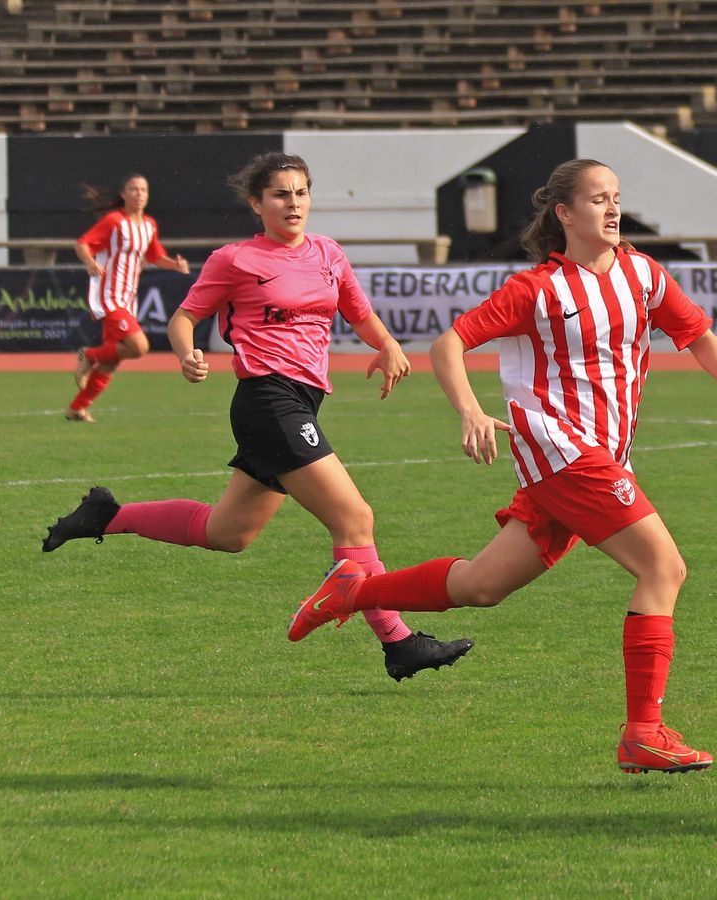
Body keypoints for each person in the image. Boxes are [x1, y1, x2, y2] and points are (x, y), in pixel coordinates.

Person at [286, 158, 717, 774]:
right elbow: (449, 344)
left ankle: (355, 591)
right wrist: (470, 411)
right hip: (565, 453)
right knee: (663, 567)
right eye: (599, 199)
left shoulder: (643, 276)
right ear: (564, 214)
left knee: (482, 585)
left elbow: (695, 330)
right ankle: (642, 733)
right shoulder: (538, 289)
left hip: (597, 456)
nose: (613, 209)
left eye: (616, 197)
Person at [42, 152, 474, 682]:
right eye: (280, 194)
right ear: (256, 204)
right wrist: (186, 354)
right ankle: (399, 643)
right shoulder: (235, 259)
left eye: (301, 193)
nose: (293, 203)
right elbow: (185, 317)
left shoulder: (328, 254)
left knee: (228, 532)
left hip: (301, 401)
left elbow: (357, 310)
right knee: (355, 520)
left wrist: (386, 345)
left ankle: (106, 515)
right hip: (268, 401)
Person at [67, 174, 191, 423]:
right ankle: (88, 354)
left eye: (143, 189)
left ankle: (77, 408)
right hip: (110, 296)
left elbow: (155, 255)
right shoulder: (114, 221)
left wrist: (174, 265)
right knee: (140, 347)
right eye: (133, 189)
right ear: (123, 194)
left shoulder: (149, 225)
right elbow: (82, 243)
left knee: (111, 362)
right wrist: (90, 263)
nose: (139, 193)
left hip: (128, 299)